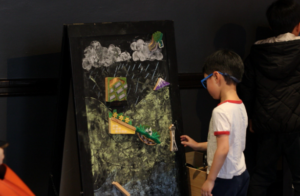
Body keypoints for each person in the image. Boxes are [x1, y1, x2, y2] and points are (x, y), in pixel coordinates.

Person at [238, 0, 300, 195]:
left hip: (266, 125)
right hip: (297, 126)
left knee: (261, 176)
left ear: (272, 26)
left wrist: (251, 119)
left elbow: (246, 90)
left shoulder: (256, 53)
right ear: (298, 26)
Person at [181, 50, 249, 196]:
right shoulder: (240, 106)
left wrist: (210, 180)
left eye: (206, 82)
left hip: (223, 179)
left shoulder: (220, 111)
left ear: (216, 76)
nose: (206, 88)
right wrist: (197, 145)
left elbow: (223, 149)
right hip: (241, 174)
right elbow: (229, 144)